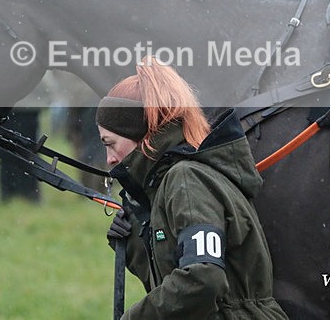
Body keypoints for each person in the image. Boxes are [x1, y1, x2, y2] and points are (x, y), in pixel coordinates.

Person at [98, 58, 287, 319]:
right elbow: (171, 281)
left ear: (142, 133)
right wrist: (134, 239)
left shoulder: (186, 180)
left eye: (110, 143)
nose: (109, 159)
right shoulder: (173, 182)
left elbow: (203, 279)